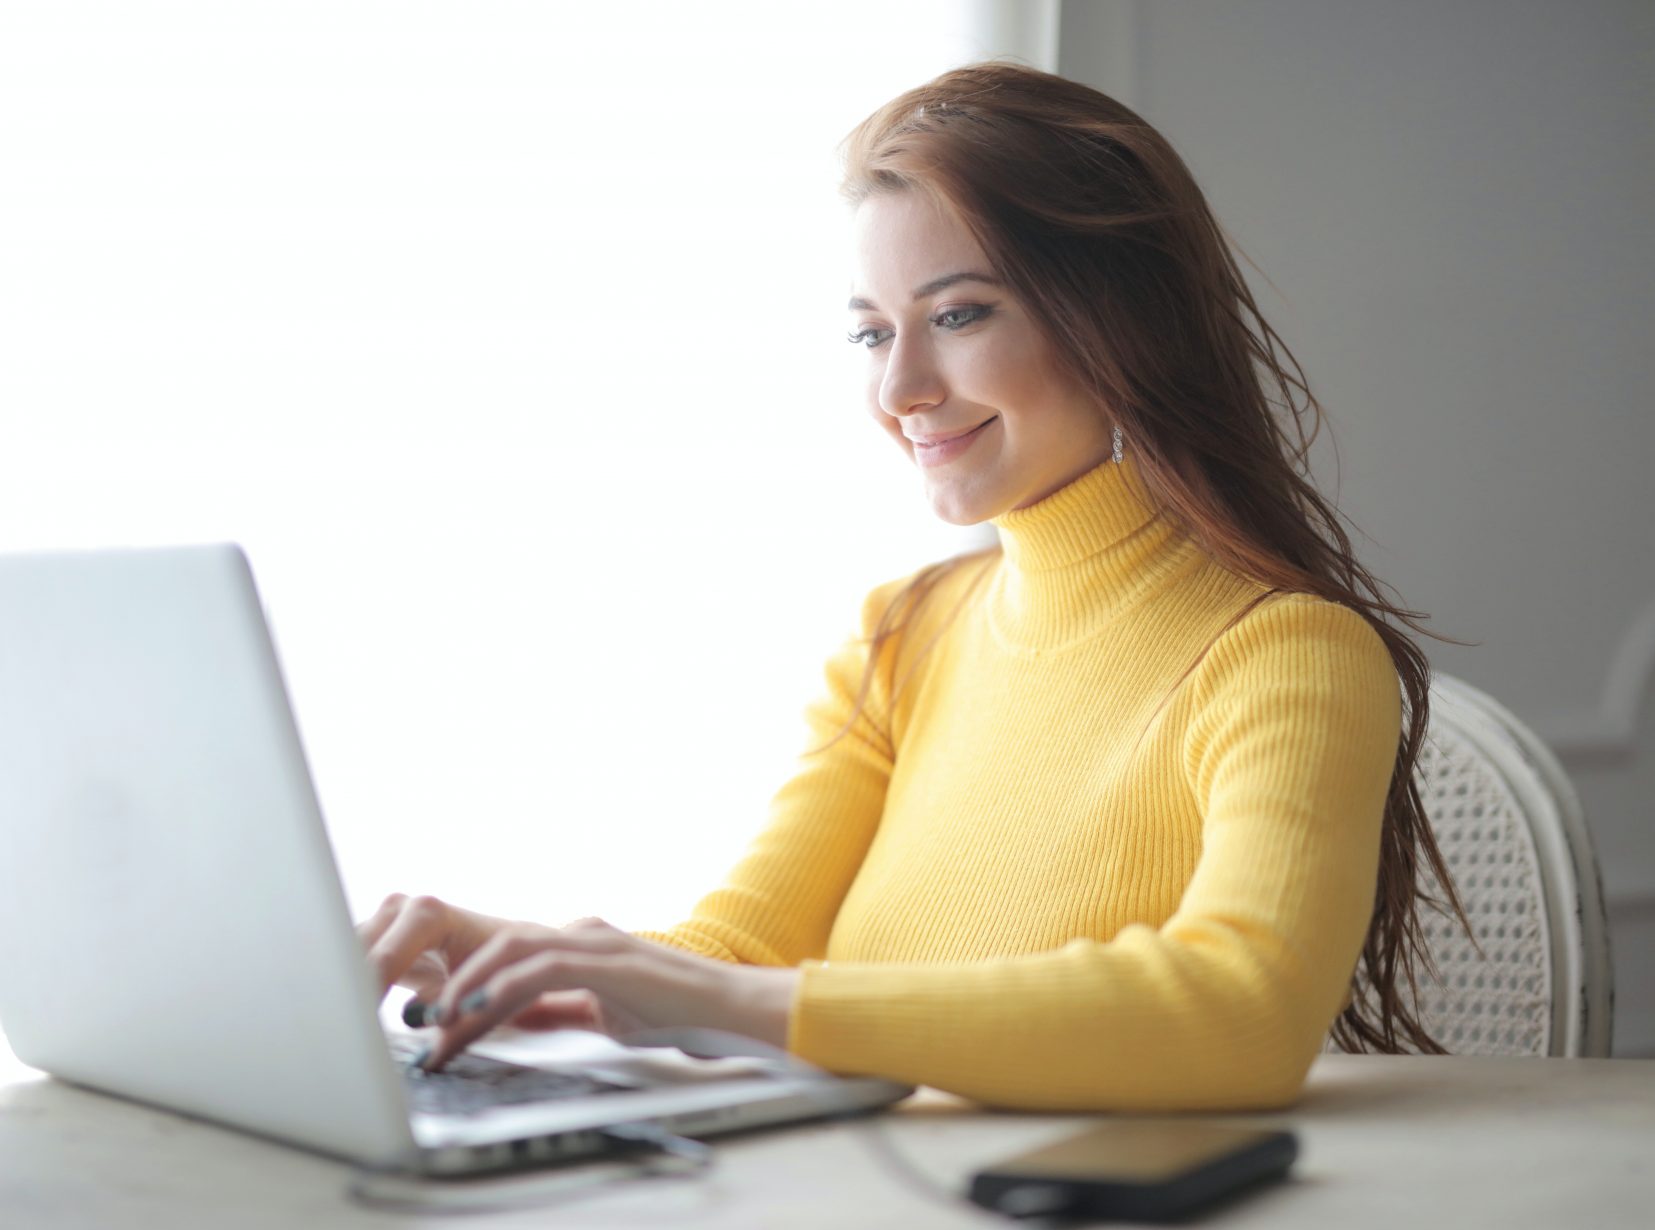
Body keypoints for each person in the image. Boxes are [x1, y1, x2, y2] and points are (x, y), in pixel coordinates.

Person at [357, 61, 1471, 1113]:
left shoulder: (1289, 655)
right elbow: (740, 955)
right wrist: (517, 956)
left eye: (958, 314)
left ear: (1121, 323)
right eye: (870, 331)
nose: (900, 389)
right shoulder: (905, 633)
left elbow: (1245, 1014)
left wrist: (719, 1003)